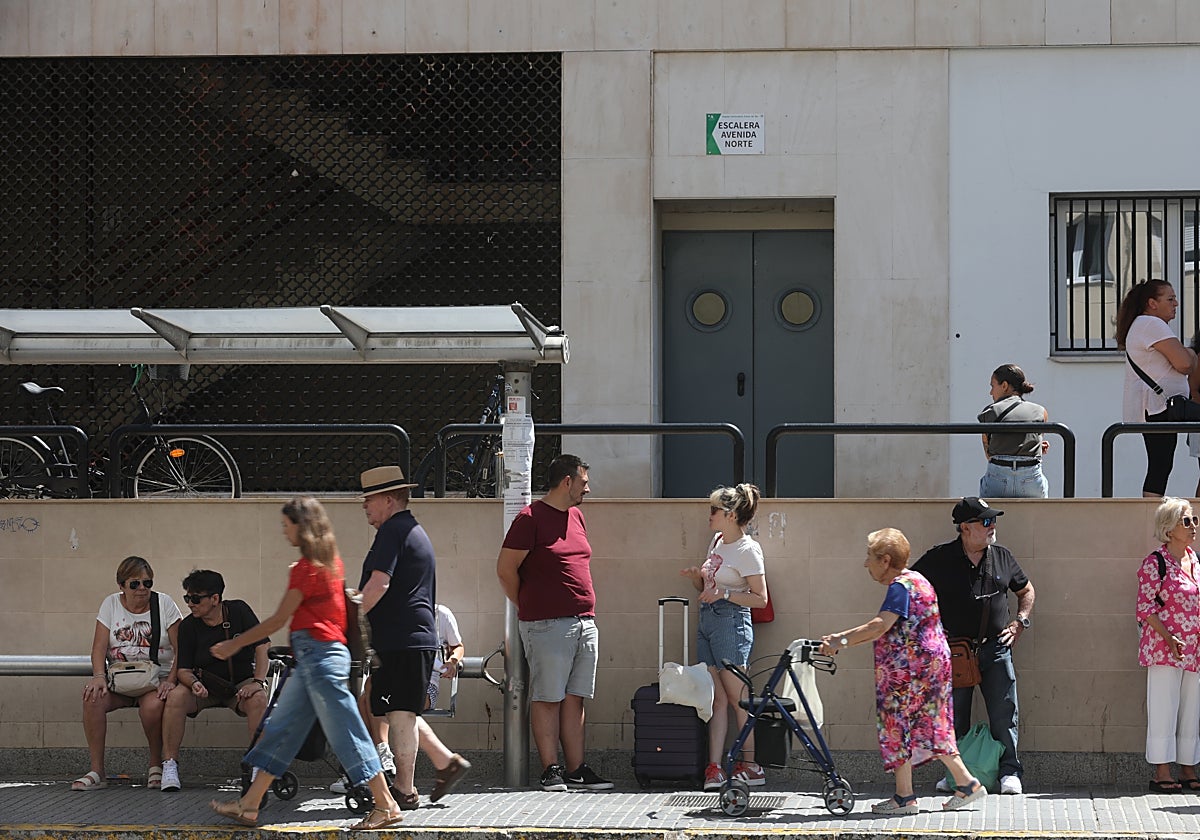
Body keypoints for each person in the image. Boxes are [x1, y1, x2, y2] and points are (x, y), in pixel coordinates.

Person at [208, 496, 403, 830]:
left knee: (347, 733)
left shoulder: (305, 569)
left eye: (287, 525)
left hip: (319, 660)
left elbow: (276, 621)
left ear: (303, 527)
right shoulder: (331, 564)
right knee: (280, 729)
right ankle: (250, 805)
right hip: (316, 660)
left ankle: (385, 806)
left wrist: (233, 644)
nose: (284, 532)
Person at [819, 528, 987, 813]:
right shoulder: (919, 580)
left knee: (897, 726)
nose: (865, 564)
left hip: (907, 672)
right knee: (933, 726)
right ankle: (967, 784)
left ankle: (904, 798)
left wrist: (840, 640)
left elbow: (880, 626)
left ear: (885, 560)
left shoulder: (899, 587)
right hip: (932, 668)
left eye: (869, 557)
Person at [497, 454, 613, 792]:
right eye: (584, 483)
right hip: (546, 625)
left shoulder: (577, 516)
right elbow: (505, 571)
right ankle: (551, 769)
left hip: (583, 622)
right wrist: (528, 604)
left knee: (575, 697)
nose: (587, 490)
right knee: (548, 697)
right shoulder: (529, 519)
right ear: (567, 481)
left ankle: (577, 769)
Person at [912, 497, 1035, 796]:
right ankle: (957, 775)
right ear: (965, 528)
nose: (993, 527)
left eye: (994, 521)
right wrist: (930, 631)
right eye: (986, 522)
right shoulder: (939, 558)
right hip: (954, 650)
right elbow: (912, 589)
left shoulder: (1002, 556)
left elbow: (1027, 590)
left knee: (1005, 712)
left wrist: (1020, 622)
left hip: (996, 647)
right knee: (955, 715)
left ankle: (1009, 771)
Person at [357, 465, 443, 809]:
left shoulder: (393, 530)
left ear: (388, 500)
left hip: (402, 639)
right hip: (408, 638)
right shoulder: (410, 529)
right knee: (400, 714)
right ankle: (410, 784)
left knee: (401, 717)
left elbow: (380, 583)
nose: (364, 506)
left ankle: (404, 792)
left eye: (369, 500)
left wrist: (350, 616)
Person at [679, 484, 769, 791]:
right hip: (708, 621)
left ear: (730, 515)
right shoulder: (717, 541)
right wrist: (697, 579)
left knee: (737, 699)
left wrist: (725, 593)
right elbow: (706, 587)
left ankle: (753, 765)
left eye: (714, 510)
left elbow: (761, 598)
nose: (710, 515)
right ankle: (714, 767)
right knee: (715, 698)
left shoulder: (747, 549)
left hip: (731, 623)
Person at [335, 601, 472, 804]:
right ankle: (379, 760)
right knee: (368, 697)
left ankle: (377, 758)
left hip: (427, 683)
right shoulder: (400, 613)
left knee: (376, 695)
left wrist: (452, 661)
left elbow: (458, 645)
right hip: (401, 678)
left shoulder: (440, 614)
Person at [72, 555, 183, 792]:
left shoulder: (164, 604)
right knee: (92, 698)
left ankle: (155, 765)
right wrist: (99, 677)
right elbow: (99, 647)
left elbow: (182, 648)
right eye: (135, 584)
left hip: (155, 680)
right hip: (118, 679)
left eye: (147, 583)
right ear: (121, 586)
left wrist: (171, 680)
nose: (142, 589)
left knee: (153, 706)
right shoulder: (110, 604)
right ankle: (97, 771)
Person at [159, 569, 270, 793]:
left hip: (240, 684)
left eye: (195, 599)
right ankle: (169, 766)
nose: (190, 604)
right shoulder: (189, 626)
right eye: (187, 598)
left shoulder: (239, 611)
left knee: (259, 699)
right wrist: (193, 683)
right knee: (176, 697)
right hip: (204, 686)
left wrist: (257, 682)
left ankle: (260, 766)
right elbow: (183, 669)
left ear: (215, 599)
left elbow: (262, 646)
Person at [1136, 497, 1200, 792]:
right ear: (1169, 527)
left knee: (1191, 708)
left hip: (1194, 647)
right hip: (1164, 646)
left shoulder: (1195, 560)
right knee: (1164, 707)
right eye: (1186, 520)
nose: (1193, 526)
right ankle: (1163, 771)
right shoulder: (1155, 562)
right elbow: (1144, 607)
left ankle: (1188, 767)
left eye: (1195, 520)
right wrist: (1168, 637)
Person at [1116, 279, 1197, 497]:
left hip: (1155, 407)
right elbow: (1185, 364)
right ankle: (1152, 518)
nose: (1176, 304)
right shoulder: (1151, 324)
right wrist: (1190, 352)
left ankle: (1152, 518)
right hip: (1159, 407)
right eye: (1170, 299)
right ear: (1152, 303)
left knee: (1160, 466)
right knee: (1160, 465)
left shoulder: (1142, 325)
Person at [977, 363, 1050, 498]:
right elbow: (1037, 447)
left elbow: (989, 454)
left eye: (993, 386)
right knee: (1038, 517)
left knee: (991, 517)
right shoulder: (1040, 411)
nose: (991, 392)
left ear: (1004, 386)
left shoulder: (989, 412)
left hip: (998, 476)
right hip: (1030, 477)